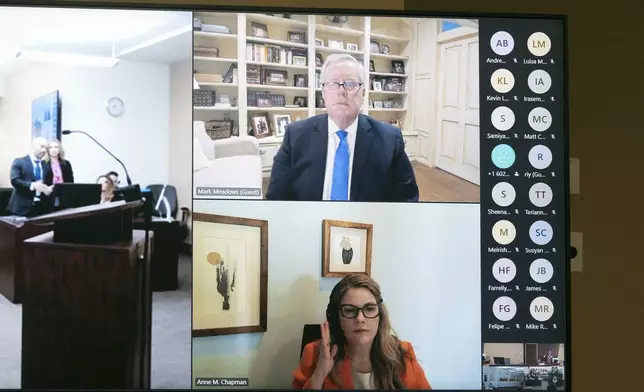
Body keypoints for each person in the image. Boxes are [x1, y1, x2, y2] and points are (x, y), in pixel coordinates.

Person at [266, 54, 418, 202]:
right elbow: (276, 197)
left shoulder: (390, 140)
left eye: (350, 84)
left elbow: (407, 199)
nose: (341, 91)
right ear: (323, 93)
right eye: (333, 84)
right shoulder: (296, 136)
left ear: (363, 93)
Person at [292, 275, 431, 390]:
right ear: (337, 318)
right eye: (350, 310)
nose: (360, 319)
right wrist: (320, 372)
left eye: (369, 309)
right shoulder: (314, 353)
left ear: (380, 315)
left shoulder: (403, 353)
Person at [7, 137, 53, 216]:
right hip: (21, 209)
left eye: (46, 148)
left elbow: (48, 184)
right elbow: (15, 180)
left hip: (41, 209)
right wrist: (33, 185)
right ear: (33, 147)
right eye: (42, 147)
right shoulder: (19, 162)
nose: (44, 150)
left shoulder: (47, 166)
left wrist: (48, 190)